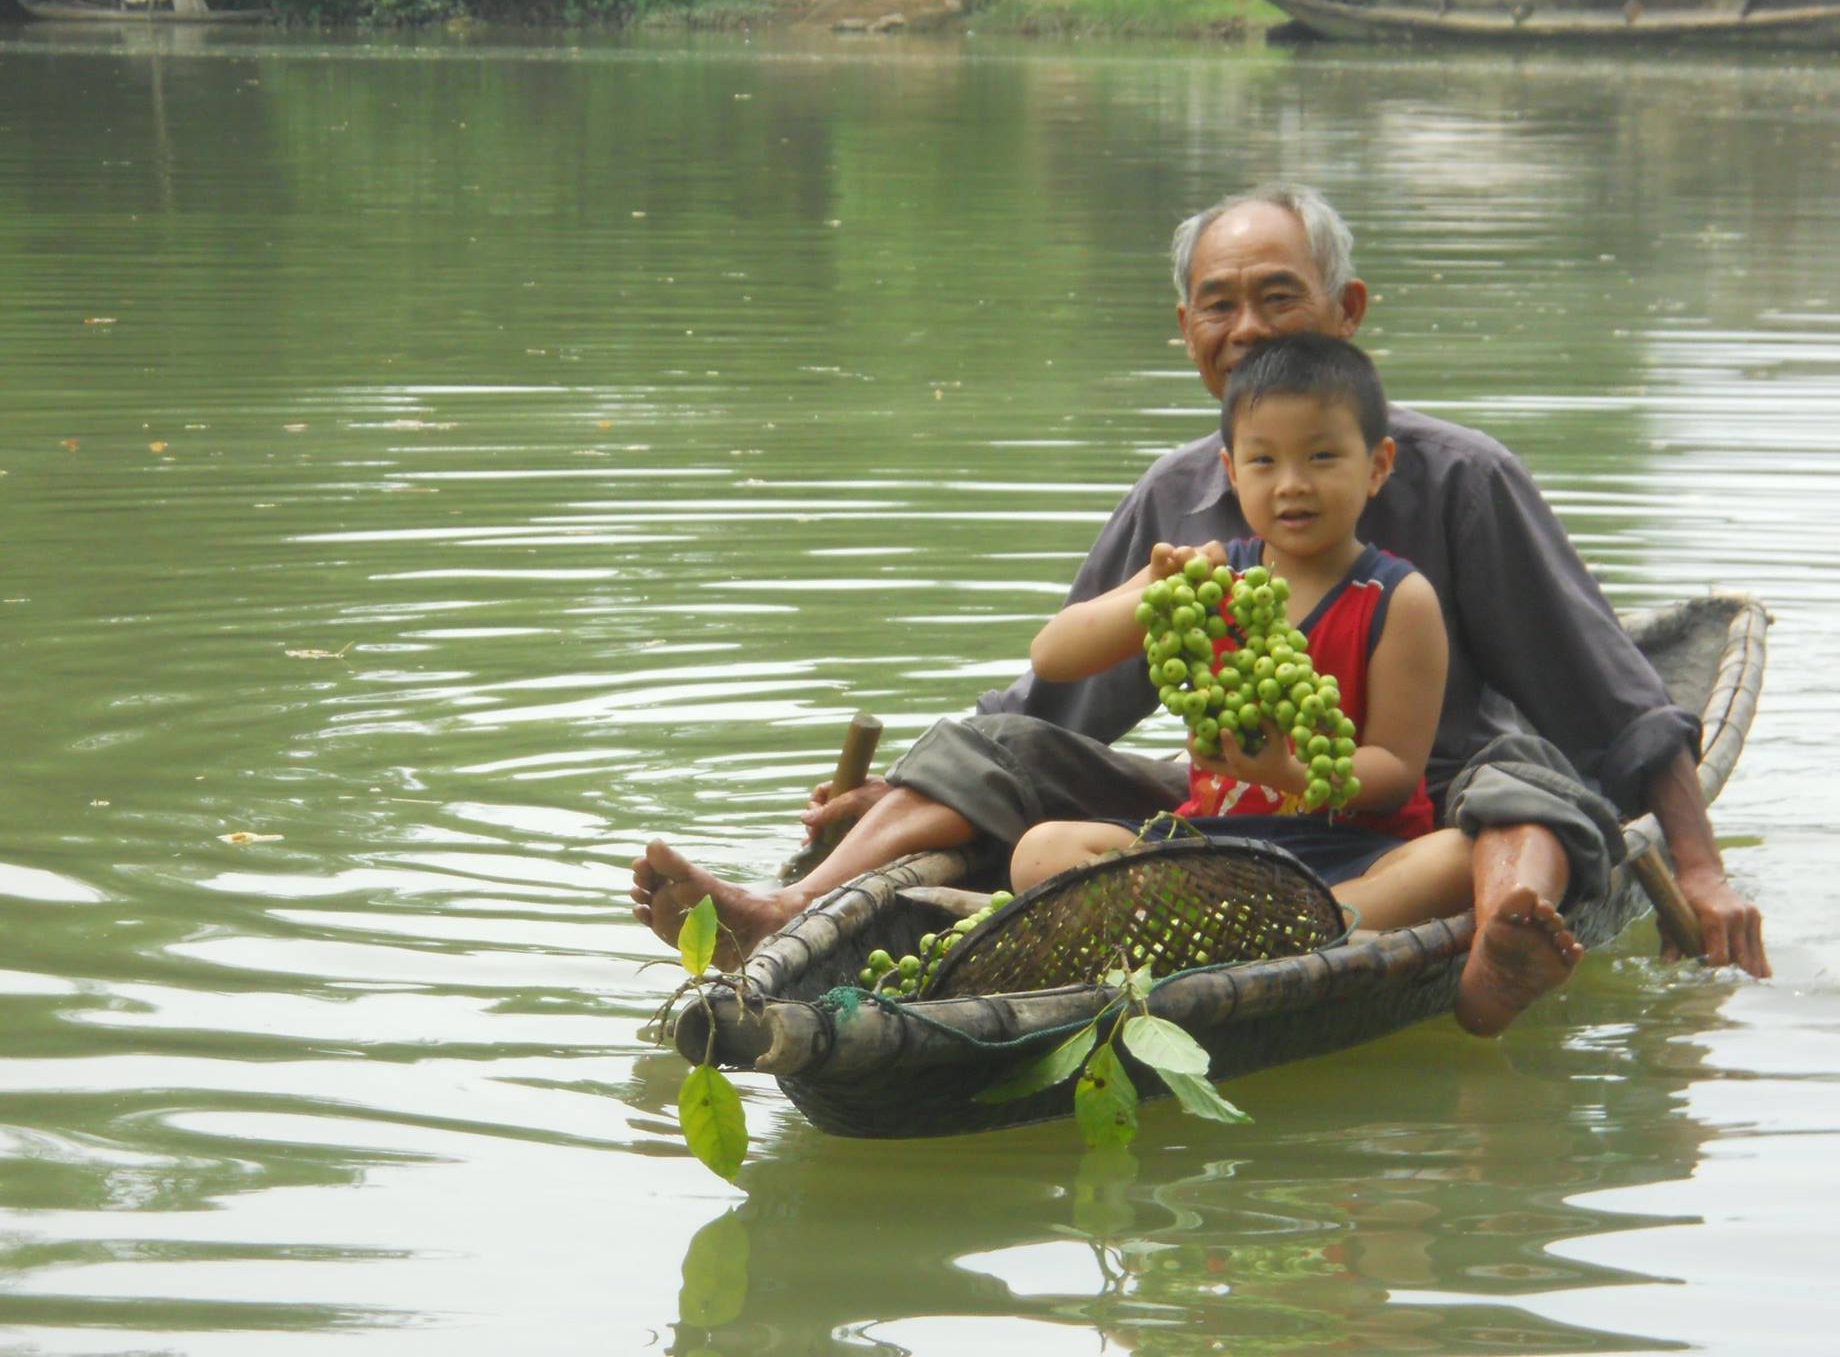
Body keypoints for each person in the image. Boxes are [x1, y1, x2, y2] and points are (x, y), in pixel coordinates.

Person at [632, 184, 1768, 1033]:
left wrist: (1698, 865)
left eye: (1278, 298)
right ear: (1185, 334)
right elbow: (1053, 696)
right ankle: (783, 914)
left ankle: (1502, 950)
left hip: (1432, 792)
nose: (1245, 330)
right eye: (1216, 306)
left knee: (1530, 794)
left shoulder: (1455, 479)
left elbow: (1609, 699)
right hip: (1230, 802)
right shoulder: (1179, 501)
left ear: (1345, 311)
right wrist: (912, 789)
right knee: (994, 765)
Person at [1012, 332, 1475, 936]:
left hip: (1353, 850)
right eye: (1264, 461)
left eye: (1321, 457)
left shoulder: (1398, 599)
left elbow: (1392, 774)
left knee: (1457, 860)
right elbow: (1052, 655)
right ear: (1230, 472)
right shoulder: (1210, 580)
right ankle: (1274, 928)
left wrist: (1285, 772)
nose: (1291, 484)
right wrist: (1155, 587)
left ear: (1377, 466)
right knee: (1040, 850)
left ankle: (1270, 924)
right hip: (1215, 848)